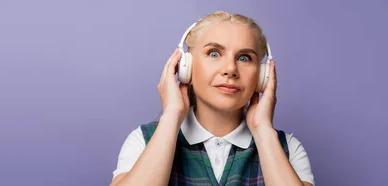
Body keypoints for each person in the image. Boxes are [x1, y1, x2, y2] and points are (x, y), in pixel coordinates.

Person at [110, 11, 315, 186]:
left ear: (262, 76)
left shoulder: (287, 148)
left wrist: (263, 130)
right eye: (214, 53)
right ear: (186, 67)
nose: (230, 69)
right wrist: (172, 115)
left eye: (244, 58)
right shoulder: (143, 140)